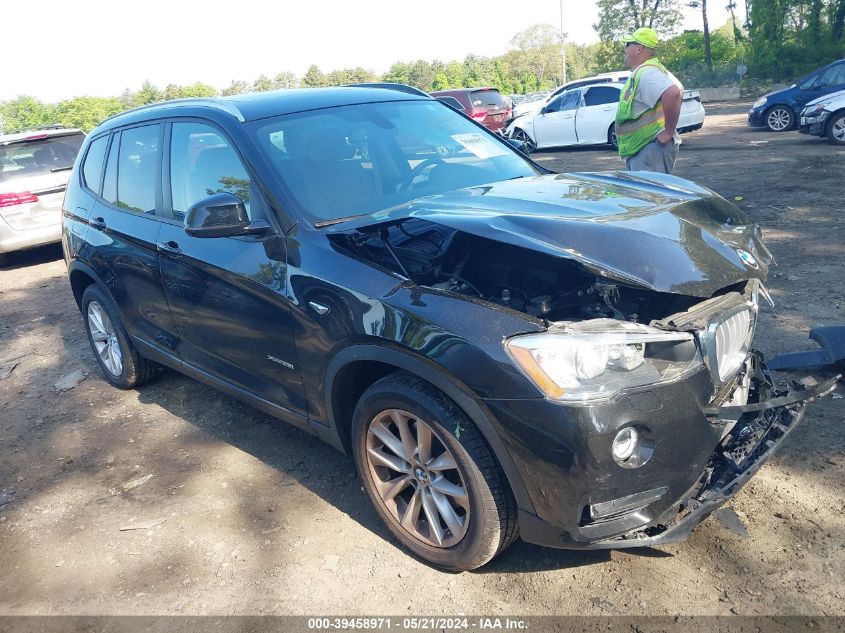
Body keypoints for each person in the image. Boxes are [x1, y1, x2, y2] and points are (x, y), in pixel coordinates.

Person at [615, 27, 683, 174]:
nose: (625, 49)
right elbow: (679, 89)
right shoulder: (651, 69)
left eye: (628, 45)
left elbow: (674, 93)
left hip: (650, 150)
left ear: (639, 49)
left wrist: (668, 132)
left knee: (651, 196)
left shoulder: (647, 73)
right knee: (650, 195)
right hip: (646, 149)